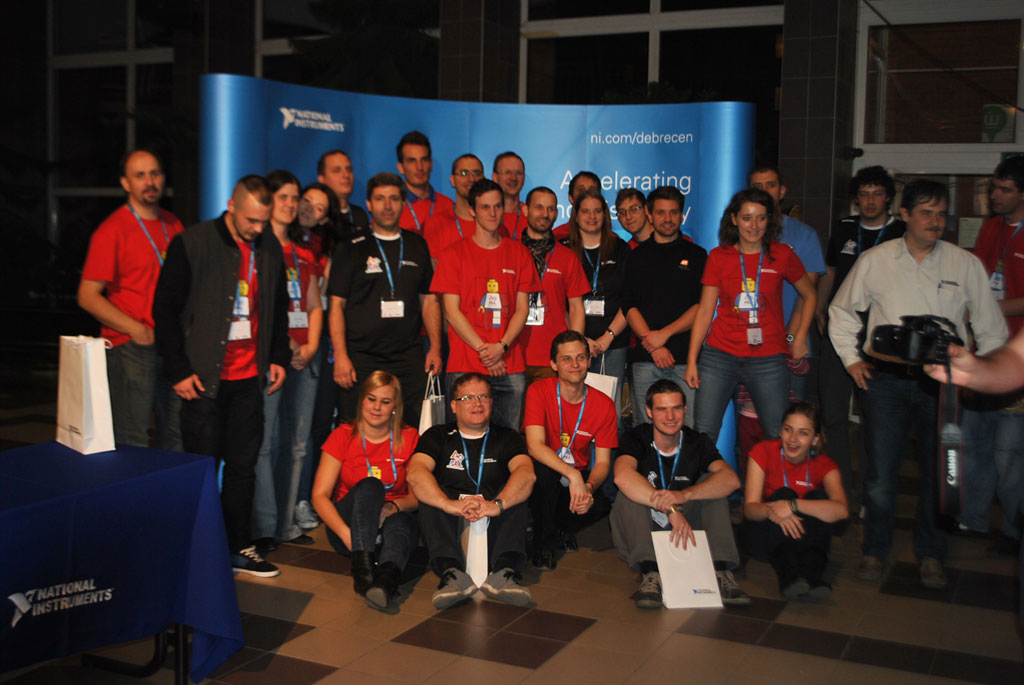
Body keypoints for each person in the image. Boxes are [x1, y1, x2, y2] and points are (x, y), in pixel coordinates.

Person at [829, 179, 1007, 589]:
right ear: (905, 215)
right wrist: (852, 361)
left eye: (941, 214)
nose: (935, 222)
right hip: (886, 382)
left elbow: (991, 329)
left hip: (941, 386)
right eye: (926, 213)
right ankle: (875, 550)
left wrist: (978, 375)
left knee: (938, 474)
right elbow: (841, 312)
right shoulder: (875, 260)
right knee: (880, 475)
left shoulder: (964, 264)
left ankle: (931, 554)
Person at [153, 175, 290, 578]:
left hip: (248, 378)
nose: (258, 229)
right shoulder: (193, 243)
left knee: (243, 467)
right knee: (201, 466)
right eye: (251, 220)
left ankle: (238, 546)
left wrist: (277, 356)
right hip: (202, 380)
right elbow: (164, 310)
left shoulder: (269, 247)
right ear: (231, 206)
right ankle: (196, 546)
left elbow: (277, 307)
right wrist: (178, 370)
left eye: (264, 221)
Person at [686, 188, 817, 444]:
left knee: (776, 434)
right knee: (703, 433)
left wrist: (799, 336)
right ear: (734, 219)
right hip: (719, 356)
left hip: (768, 358)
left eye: (760, 217)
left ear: (769, 220)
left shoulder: (782, 254)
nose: (754, 225)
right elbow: (705, 311)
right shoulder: (719, 257)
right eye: (746, 218)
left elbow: (810, 294)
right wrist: (692, 359)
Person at [78, 149, 184, 449]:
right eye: (140, 176)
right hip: (132, 348)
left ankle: (168, 483)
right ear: (126, 183)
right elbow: (87, 296)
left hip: (170, 343)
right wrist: (135, 329)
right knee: (132, 437)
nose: (150, 182)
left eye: (155, 173)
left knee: (175, 434)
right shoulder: (112, 230)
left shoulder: (173, 224)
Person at [610, 380, 749, 608]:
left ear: (685, 410)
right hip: (643, 529)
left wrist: (684, 495)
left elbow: (731, 480)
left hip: (685, 530)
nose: (670, 416)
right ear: (649, 412)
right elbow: (622, 476)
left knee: (712, 484)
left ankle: (721, 570)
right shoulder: (636, 437)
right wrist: (670, 508)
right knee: (629, 492)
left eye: (676, 408)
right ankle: (650, 573)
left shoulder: (698, 441)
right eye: (661, 409)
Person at [406, 372, 537, 609]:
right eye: (468, 398)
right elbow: (415, 473)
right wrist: (447, 504)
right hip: (450, 515)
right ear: (454, 406)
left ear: (491, 402)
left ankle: (504, 573)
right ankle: (452, 574)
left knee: (516, 489)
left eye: (483, 396)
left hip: (495, 513)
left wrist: (496, 505)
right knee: (430, 493)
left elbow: (526, 473)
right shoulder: (437, 435)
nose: (477, 403)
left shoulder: (508, 436)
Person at [815, 165, 905, 501]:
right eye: (864, 195)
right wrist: (821, 309)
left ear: (888, 198)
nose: (870, 201)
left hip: (879, 337)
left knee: (874, 417)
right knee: (834, 414)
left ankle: (871, 489)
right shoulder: (843, 228)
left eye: (877, 194)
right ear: (856, 199)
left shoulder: (900, 232)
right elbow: (830, 272)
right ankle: (842, 488)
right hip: (840, 331)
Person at [328, 172, 442, 428]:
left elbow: (429, 300)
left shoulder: (417, 245)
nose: (387, 206)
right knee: (356, 430)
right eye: (380, 199)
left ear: (403, 203)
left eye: (394, 199)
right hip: (361, 358)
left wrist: (435, 347)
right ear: (369, 204)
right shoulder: (350, 246)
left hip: (408, 356)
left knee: (414, 429)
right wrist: (341, 356)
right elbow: (336, 305)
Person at [955, 155, 1024, 556]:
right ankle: (974, 518)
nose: (995, 195)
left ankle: (1014, 531)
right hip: (982, 354)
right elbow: (976, 282)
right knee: (974, 443)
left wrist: (991, 308)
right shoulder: (990, 229)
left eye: (1005, 189)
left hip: (1016, 361)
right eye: (994, 187)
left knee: (1009, 456)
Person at [432, 178, 542, 430]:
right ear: (472, 210)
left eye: (497, 206)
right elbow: (451, 312)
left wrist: (501, 347)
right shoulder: (453, 254)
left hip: (509, 363)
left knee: (508, 440)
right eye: (485, 207)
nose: (492, 213)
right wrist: (486, 352)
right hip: (465, 363)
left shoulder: (519, 253)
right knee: (461, 439)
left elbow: (523, 310)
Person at [251, 170, 323, 552]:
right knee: (265, 443)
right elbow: (256, 307)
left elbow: (314, 304)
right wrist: (288, 345)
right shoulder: (256, 248)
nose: (291, 205)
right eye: (284, 197)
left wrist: (310, 345)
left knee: (297, 444)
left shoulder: (304, 251)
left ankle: (285, 524)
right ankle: (263, 527)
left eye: (296, 198)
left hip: (305, 356)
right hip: (272, 355)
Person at [311, 371, 420, 611]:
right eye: (371, 399)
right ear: (361, 400)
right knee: (371, 485)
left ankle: (385, 583)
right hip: (349, 529)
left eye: (385, 401)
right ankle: (363, 571)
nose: (377, 407)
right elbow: (319, 496)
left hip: (389, 522)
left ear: (395, 407)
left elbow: (417, 497)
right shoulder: (342, 435)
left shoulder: (410, 437)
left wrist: (394, 505)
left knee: (404, 521)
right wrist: (345, 533)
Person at [524, 331, 617, 570]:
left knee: (600, 504)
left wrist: (588, 487)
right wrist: (573, 475)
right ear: (553, 364)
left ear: (589, 361)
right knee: (544, 476)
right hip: (546, 470)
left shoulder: (604, 404)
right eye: (566, 359)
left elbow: (603, 463)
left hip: (574, 477)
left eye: (580, 358)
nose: (575, 365)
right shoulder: (538, 390)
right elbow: (534, 446)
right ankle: (543, 545)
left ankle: (559, 529)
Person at [739, 402, 848, 600]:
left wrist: (792, 506)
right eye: (788, 430)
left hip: (805, 538)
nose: (793, 439)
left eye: (803, 433)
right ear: (780, 431)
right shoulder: (763, 451)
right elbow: (749, 510)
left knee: (818, 498)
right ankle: (790, 577)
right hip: (766, 535)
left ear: (815, 439)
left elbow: (842, 511)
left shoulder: (825, 465)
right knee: (783, 493)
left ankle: (812, 577)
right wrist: (774, 510)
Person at [623, 186, 707, 426]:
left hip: (686, 360)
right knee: (646, 432)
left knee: (686, 430)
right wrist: (652, 344)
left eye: (673, 212)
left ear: (682, 215)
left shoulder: (698, 255)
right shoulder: (636, 257)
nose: (667, 219)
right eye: (661, 212)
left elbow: (701, 307)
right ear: (650, 215)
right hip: (645, 358)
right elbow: (628, 305)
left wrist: (664, 335)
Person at [748, 164, 825, 401]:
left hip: (789, 344)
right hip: (748, 346)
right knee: (748, 418)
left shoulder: (804, 235)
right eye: (757, 187)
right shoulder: (742, 234)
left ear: (782, 191)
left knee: (790, 417)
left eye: (770, 185)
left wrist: (792, 337)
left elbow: (807, 294)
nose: (764, 191)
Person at [300, 181, 344, 532]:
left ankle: (307, 497)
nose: (308, 210)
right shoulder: (283, 243)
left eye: (319, 207)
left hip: (320, 340)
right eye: (306, 201)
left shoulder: (323, 247)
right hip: (292, 342)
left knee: (316, 425)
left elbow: (324, 298)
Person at [566, 187, 632, 416]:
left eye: (597, 211)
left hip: (613, 343)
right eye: (585, 211)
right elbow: (559, 302)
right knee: (575, 410)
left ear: (605, 215)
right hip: (574, 343)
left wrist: (608, 337)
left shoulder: (621, 248)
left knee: (609, 412)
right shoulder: (565, 250)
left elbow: (630, 300)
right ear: (576, 216)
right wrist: (579, 338)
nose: (592, 216)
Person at [518, 187, 589, 387]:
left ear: (557, 213)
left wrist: (574, 352)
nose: (545, 214)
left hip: (552, 359)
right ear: (525, 210)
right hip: (512, 356)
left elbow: (576, 308)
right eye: (539, 207)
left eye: (551, 209)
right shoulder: (510, 252)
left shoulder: (567, 257)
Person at [422, 153, 499, 262]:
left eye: (477, 173)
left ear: (484, 178)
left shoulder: (494, 224)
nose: (471, 179)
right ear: (452, 180)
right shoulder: (435, 224)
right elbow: (432, 269)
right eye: (464, 173)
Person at [395, 130, 454, 234]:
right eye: (412, 161)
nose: (419, 167)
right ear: (400, 167)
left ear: (431, 164)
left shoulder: (449, 206)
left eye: (424, 160)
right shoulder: (391, 207)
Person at [317, 149, 370, 237]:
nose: (346, 175)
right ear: (322, 179)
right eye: (337, 170)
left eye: (349, 170)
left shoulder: (360, 215)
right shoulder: (317, 215)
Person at [552, 171, 600, 241]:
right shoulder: (556, 238)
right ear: (571, 198)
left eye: (592, 190)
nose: (586, 195)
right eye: (581, 190)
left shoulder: (612, 241)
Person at [493, 151, 528, 239]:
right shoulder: (486, 216)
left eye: (518, 173)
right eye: (507, 172)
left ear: (524, 178)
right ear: (495, 177)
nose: (513, 178)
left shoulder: (532, 217)